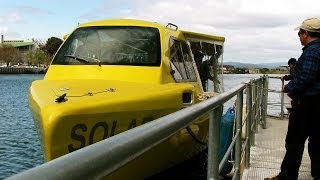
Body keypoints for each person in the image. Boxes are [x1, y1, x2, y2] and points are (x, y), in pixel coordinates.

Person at [265, 17, 320, 180]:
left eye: (299, 33)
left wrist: (289, 87)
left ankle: (287, 176)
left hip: (308, 105)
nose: (299, 37)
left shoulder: (312, 50)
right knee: (317, 143)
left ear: (306, 34)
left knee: (294, 142)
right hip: (317, 104)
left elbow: (307, 77)